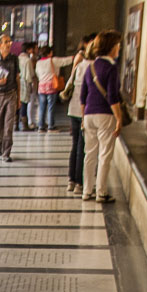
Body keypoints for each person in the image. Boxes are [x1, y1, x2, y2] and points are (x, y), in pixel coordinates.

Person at [80, 29, 123, 203]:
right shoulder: (111, 68)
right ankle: (101, 192)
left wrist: (83, 118)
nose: (119, 48)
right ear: (111, 47)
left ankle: (86, 190)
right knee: (104, 154)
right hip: (105, 114)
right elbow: (113, 96)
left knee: (89, 154)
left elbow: (83, 96)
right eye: (118, 45)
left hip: (89, 114)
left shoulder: (90, 67)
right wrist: (119, 118)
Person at [66, 35, 95, 194]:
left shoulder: (79, 66)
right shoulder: (93, 67)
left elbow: (69, 84)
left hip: (73, 109)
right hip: (85, 111)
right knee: (82, 148)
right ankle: (79, 182)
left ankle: (71, 180)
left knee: (75, 146)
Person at [0, 33, 20, 162]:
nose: (9, 44)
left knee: (8, 126)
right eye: (6, 42)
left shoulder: (14, 59)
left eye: (10, 41)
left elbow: (17, 79)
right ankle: (0, 144)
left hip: (11, 94)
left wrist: (18, 98)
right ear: (0, 45)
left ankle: (6, 152)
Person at [35, 45, 74, 131]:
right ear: (50, 53)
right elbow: (65, 61)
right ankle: (51, 126)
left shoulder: (38, 63)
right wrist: (74, 57)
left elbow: (37, 73)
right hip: (51, 86)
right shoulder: (53, 60)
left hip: (41, 87)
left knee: (42, 107)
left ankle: (41, 126)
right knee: (51, 107)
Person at [18, 42, 38, 130]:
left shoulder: (18, 58)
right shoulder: (27, 60)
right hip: (25, 82)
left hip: (18, 82)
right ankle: (25, 125)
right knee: (25, 103)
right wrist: (32, 84)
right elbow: (30, 74)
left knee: (19, 103)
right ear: (28, 50)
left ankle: (16, 124)